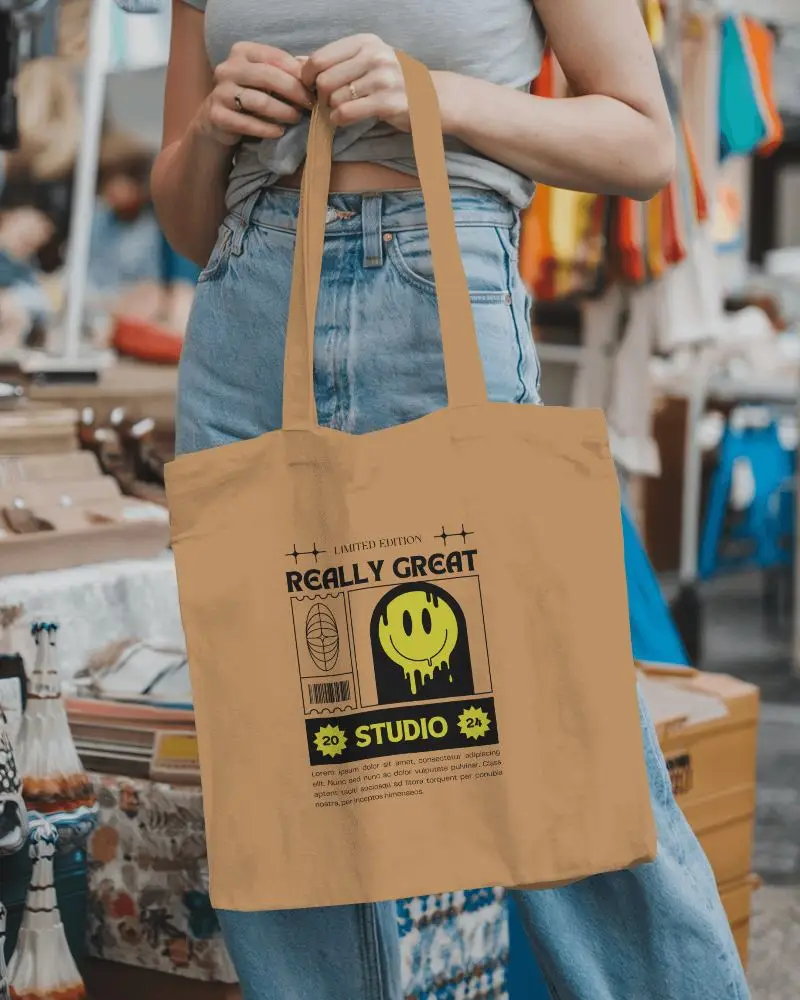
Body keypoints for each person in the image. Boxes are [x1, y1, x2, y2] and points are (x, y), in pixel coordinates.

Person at [151, 2, 750, 998]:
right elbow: (182, 219)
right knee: (278, 774)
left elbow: (644, 141)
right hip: (246, 311)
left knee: (562, 747)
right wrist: (212, 128)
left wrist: (434, 97)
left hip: (435, 303)